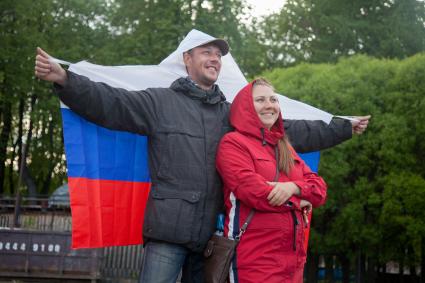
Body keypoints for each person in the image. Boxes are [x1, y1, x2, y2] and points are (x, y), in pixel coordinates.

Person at [34, 34, 369, 283]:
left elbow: (289, 127)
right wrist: (65, 79)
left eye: (218, 54)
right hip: (167, 233)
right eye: (206, 52)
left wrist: (341, 128)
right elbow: (109, 103)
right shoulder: (159, 102)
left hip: (212, 238)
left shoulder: (231, 114)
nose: (214, 58)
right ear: (187, 59)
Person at [216, 78, 328, 283]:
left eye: (273, 99)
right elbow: (255, 193)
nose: (269, 105)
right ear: (246, 107)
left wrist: (293, 187)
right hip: (255, 260)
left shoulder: (284, 146)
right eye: (260, 100)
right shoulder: (233, 143)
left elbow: (319, 189)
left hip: (293, 262)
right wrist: (300, 200)